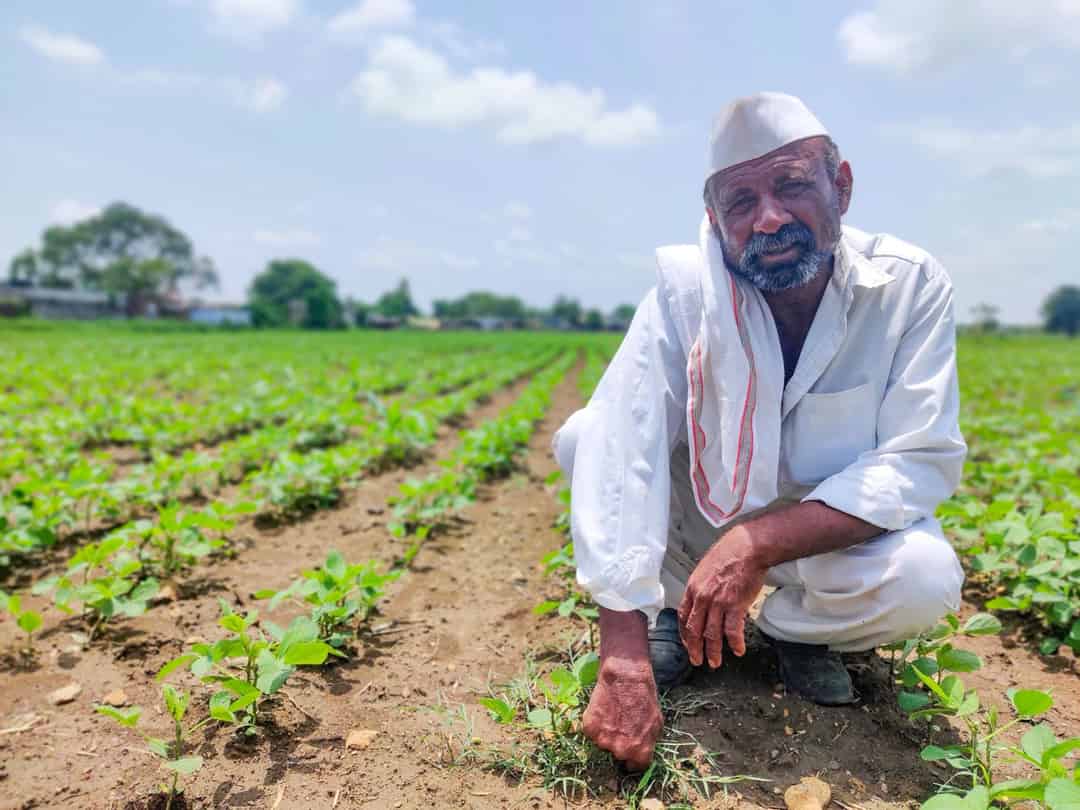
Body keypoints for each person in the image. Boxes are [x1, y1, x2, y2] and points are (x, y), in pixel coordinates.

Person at [551, 92, 966, 770]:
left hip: (818, 537)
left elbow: (916, 460)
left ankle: (799, 632)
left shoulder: (908, 286)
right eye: (741, 203)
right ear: (714, 220)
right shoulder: (685, 293)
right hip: (701, 526)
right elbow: (623, 448)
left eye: (792, 186)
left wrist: (757, 544)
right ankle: (670, 616)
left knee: (923, 578)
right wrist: (621, 656)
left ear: (842, 186)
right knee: (584, 437)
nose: (769, 219)